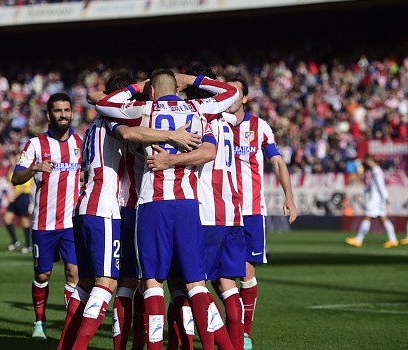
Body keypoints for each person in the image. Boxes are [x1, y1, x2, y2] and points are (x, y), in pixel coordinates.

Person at [58, 71, 202, 350]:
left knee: (92, 283)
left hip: (87, 206)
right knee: (107, 284)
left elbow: (95, 98)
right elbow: (126, 131)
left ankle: (68, 345)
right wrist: (172, 136)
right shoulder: (114, 119)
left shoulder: (91, 126)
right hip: (109, 208)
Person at [96, 69, 239, 350]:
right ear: (178, 86)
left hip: (153, 203)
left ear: (151, 90)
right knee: (196, 284)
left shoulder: (144, 109)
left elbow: (105, 104)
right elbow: (232, 93)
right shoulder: (199, 109)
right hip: (188, 204)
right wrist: (195, 81)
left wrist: (137, 87)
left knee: (152, 282)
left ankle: (154, 347)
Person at [147, 63, 245, 350]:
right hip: (232, 211)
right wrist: (199, 80)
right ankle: (237, 344)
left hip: (202, 211)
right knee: (225, 285)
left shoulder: (196, 117)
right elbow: (231, 95)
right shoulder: (229, 120)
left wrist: (186, 81)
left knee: (183, 286)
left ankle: (185, 344)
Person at [225, 74, 297, 350]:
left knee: (245, 273)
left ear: (244, 98)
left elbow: (278, 163)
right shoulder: (214, 125)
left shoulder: (259, 127)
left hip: (252, 211)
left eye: (235, 93)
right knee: (220, 276)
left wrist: (289, 196)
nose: (229, 97)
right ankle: (230, 326)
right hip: (220, 211)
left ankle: (243, 333)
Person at [11, 93, 81, 340]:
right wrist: (34, 168)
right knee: (43, 275)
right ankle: (39, 323)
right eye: (58, 110)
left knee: (74, 272)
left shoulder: (80, 143)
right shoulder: (35, 145)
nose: (63, 114)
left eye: (67, 110)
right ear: (49, 115)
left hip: (72, 224)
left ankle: (70, 326)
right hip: (44, 223)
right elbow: (15, 178)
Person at [345, 155, 398, 248]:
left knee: (368, 217)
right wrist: (361, 193)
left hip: (376, 199)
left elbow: (380, 185)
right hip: (378, 198)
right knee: (383, 218)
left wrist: (385, 198)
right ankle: (393, 240)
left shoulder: (376, 171)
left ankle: (358, 240)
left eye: (366, 162)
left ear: (369, 161)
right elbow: (370, 186)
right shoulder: (374, 171)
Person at [3, 161, 34, 254]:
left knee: (24, 220)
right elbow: (8, 178)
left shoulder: (27, 171)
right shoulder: (16, 170)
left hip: (23, 197)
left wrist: (14, 197)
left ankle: (28, 245)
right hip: (15, 198)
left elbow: (24, 187)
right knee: (7, 218)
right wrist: (12, 166)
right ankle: (15, 241)